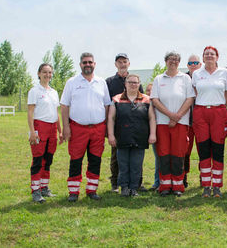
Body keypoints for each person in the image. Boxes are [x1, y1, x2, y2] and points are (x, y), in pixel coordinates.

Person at [61, 52, 111, 202]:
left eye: (90, 62)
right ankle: (73, 191)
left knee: (95, 159)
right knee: (76, 159)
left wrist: (107, 126)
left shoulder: (101, 82)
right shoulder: (72, 82)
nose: (87, 64)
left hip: (98, 128)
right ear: (80, 64)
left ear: (94, 64)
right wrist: (66, 127)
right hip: (77, 128)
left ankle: (91, 189)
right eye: (84, 62)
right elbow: (64, 106)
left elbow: (107, 105)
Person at [151, 50, 195, 197]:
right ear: (166, 61)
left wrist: (177, 117)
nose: (173, 61)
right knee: (163, 154)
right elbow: (155, 100)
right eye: (170, 59)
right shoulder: (158, 79)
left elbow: (189, 99)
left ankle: (177, 186)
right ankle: (164, 186)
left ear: (179, 62)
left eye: (176, 59)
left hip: (181, 123)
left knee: (178, 154)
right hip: (162, 123)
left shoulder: (185, 79)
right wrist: (170, 115)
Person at [107, 74, 156, 197]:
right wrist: (111, 135)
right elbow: (111, 118)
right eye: (130, 82)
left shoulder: (146, 99)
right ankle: (124, 187)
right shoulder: (116, 99)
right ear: (126, 83)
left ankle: (134, 188)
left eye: (135, 82)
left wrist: (152, 134)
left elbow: (151, 118)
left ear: (139, 84)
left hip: (140, 137)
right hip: (122, 137)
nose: (133, 85)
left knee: (136, 165)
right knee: (123, 165)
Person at [192, 46, 227, 198]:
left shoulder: (224, 72)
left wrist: (219, 106)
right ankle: (206, 186)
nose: (209, 56)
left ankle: (217, 186)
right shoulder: (197, 74)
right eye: (206, 54)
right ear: (203, 57)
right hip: (201, 111)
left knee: (217, 149)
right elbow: (196, 92)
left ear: (217, 57)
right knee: (203, 149)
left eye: (212, 54)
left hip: (218, 111)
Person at [105, 53, 145, 193]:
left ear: (129, 63)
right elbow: (106, 105)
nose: (122, 64)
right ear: (116, 64)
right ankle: (116, 183)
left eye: (125, 62)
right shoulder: (109, 82)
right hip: (118, 126)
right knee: (117, 157)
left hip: (135, 125)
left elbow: (143, 104)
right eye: (120, 62)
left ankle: (137, 183)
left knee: (136, 157)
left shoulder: (137, 83)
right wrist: (109, 131)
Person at [27, 63, 63, 203]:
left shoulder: (53, 92)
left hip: (52, 128)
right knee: (38, 159)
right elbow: (30, 113)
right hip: (39, 127)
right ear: (39, 74)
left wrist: (60, 131)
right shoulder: (34, 91)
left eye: (50, 72)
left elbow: (57, 113)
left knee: (48, 159)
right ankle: (35, 190)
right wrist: (32, 132)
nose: (47, 75)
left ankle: (44, 187)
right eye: (44, 72)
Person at [184, 54, 202, 188]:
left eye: (196, 62)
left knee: (203, 150)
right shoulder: (183, 79)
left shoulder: (204, 77)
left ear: (200, 64)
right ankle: (183, 175)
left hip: (201, 121)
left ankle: (204, 176)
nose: (193, 65)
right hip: (186, 121)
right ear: (187, 65)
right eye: (191, 63)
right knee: (185, 150)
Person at [147, 82, 160, 192]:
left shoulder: (160, 103)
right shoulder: (144, 104)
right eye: (147, 90)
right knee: (158, 158)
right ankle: (157, 181)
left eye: (152, 90)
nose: (149, 93)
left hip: (162, 131)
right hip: (152, 134)